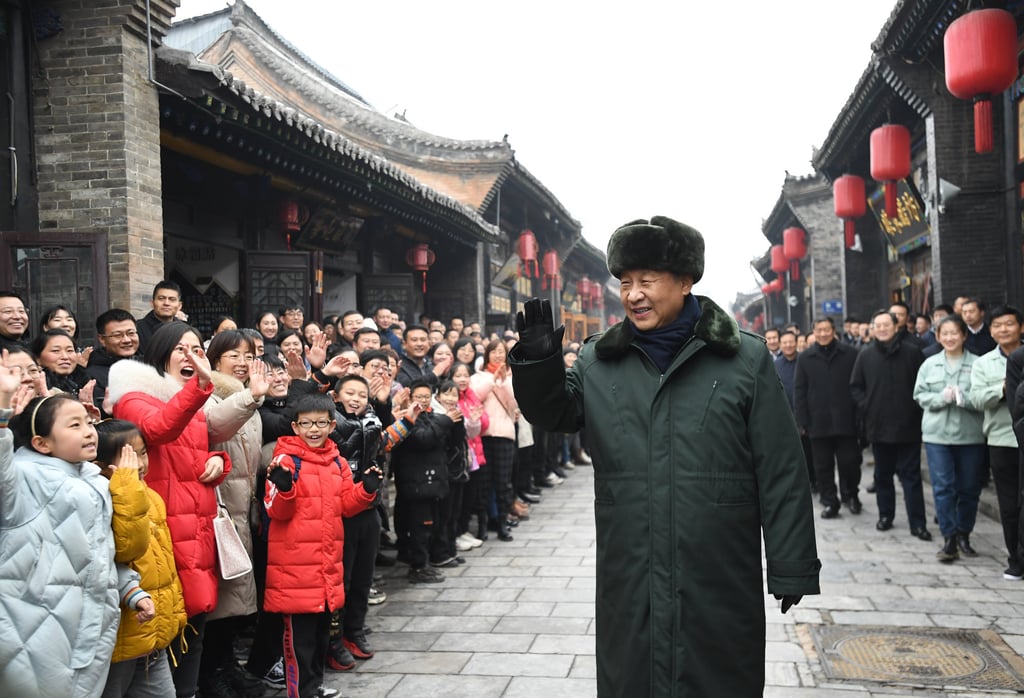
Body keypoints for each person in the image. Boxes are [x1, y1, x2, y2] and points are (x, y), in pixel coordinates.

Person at [508, 215, 820, 696]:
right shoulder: (598, 360)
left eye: (647, 281)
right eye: (626, 282)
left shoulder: (743, 359)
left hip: (718, 569)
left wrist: (791, 561)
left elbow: (780, 467)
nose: (633, 294)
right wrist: (538, 361)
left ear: (685, 280)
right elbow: (554, 412)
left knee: (718, 679)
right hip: (630, 565)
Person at [107, 322, 241, 698]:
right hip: (163, 528)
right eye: (180, 348)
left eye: (197, 348)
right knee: (168, 630)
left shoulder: (191, 399)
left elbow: (189, 455)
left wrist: (218, 462)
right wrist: (198, 391)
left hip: (195, 524)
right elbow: (158, 431)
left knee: (194, 625)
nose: (190, 356)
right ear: (160, 353)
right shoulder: (135, 395)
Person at [0, 387, 126, 697]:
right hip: (30, 628)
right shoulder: (26, 476)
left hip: (89, 623)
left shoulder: (94, 479)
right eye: (74, 425)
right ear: (41, 443)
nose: (88, 432)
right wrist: (3, 418)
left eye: (88, 422)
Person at [264, 392, 381, 698]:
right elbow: (276, 510)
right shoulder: (285, 460)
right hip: (295, 572)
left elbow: (346, 504)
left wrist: (366, 490)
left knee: (318, 638)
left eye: (320, 423)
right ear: (295, 426)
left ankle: (314, 687)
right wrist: (285, 487)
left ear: (331, 425)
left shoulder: (336, 461)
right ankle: (299, 692)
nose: (313, 429)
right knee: (298, 643)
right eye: (306, 424)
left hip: (326, 566)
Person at [95, 419, 186, 698]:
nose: (140, 464)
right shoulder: (105, 500)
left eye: (142, 453)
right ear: (102, 465)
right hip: (122, 634)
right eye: (128, 457)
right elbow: (127, 550)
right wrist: (125, 487)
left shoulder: (151, 497)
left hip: (151, 627)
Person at [850, 310, 930, 539]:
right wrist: (868, 406)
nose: (882, 329)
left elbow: (923, 385)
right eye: (878, 325)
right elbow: (855, 387)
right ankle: (885, 516)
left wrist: (915, 409)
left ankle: (918, 523)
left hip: (909, 426)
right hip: (879, 426)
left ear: (897, 327)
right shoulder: (865, 356)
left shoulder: (913, 353)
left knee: (911, 477)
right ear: (873, 329)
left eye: (887, 325)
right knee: (882, 476)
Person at [913, 315, 986, 563]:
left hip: (970, 436)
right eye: (945, 333)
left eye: (955, 333)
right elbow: (919, 396)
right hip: (937, 436)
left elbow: (984, 398)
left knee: (969, 488)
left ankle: (964, 532)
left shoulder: (978, 364)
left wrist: (965, 399)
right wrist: (940, 398)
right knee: (943, 487)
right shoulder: (929, 364)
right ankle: (949, 538)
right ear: (938, 336)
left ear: (964, 336)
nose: (950, 338)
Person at [971, 305, 1024, 579]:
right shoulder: (983, 364)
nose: (1004, 329)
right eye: (998, 325)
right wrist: (1003, 388)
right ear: (991, 331)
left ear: (1021, 327)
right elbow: (977, 399)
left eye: (1009, 324)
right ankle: (1015, 558)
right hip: (1002, 439)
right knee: (1009, 502)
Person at [795, 317, 862, 518]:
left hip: (846, 420)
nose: (823, 333)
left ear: (834, 331)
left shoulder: (850, 354)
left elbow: (858, 385)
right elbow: (800, 390)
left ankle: (851, 495)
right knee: (822, 466)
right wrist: (802, 420)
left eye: (827, 329)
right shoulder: (806, 357)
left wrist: (859, 416)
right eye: (819, 330)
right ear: (814, 332)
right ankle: (830, 501)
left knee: (850, 462)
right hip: (818, 421)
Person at [775, 330, 814, 491]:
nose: (788, 345)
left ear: (796, 342)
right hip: (784, 416)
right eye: (785, 342)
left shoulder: (805, 361)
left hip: (806, 414)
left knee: (809, 452)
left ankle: (813, 481)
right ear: (780, 344)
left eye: (791, 342)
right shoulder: (775, 365)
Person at [87, 309, 139, 413]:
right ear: (102, 339)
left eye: (131, 333)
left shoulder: (148, 363)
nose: (126, 340)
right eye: (117, 335)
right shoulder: (92, 376)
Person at [136, 280, 184, 354]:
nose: (166, 303)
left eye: (172, 299)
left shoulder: (183, 329)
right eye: (161, 298)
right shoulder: (137, 329)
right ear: (152, 303)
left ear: (179, 305)